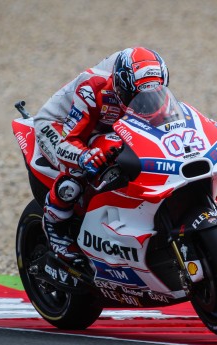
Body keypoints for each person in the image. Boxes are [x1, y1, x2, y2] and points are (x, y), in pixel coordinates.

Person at [33, 47, 169, 262]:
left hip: (104, 127)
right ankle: (54, 225)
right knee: (81, 165)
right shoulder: (93, 88)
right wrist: (84, 156)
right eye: (137, 97)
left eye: (152, 96)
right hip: (59, 125)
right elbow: (69, 142)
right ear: (120, 86)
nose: (146, 103)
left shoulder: (151, 87)